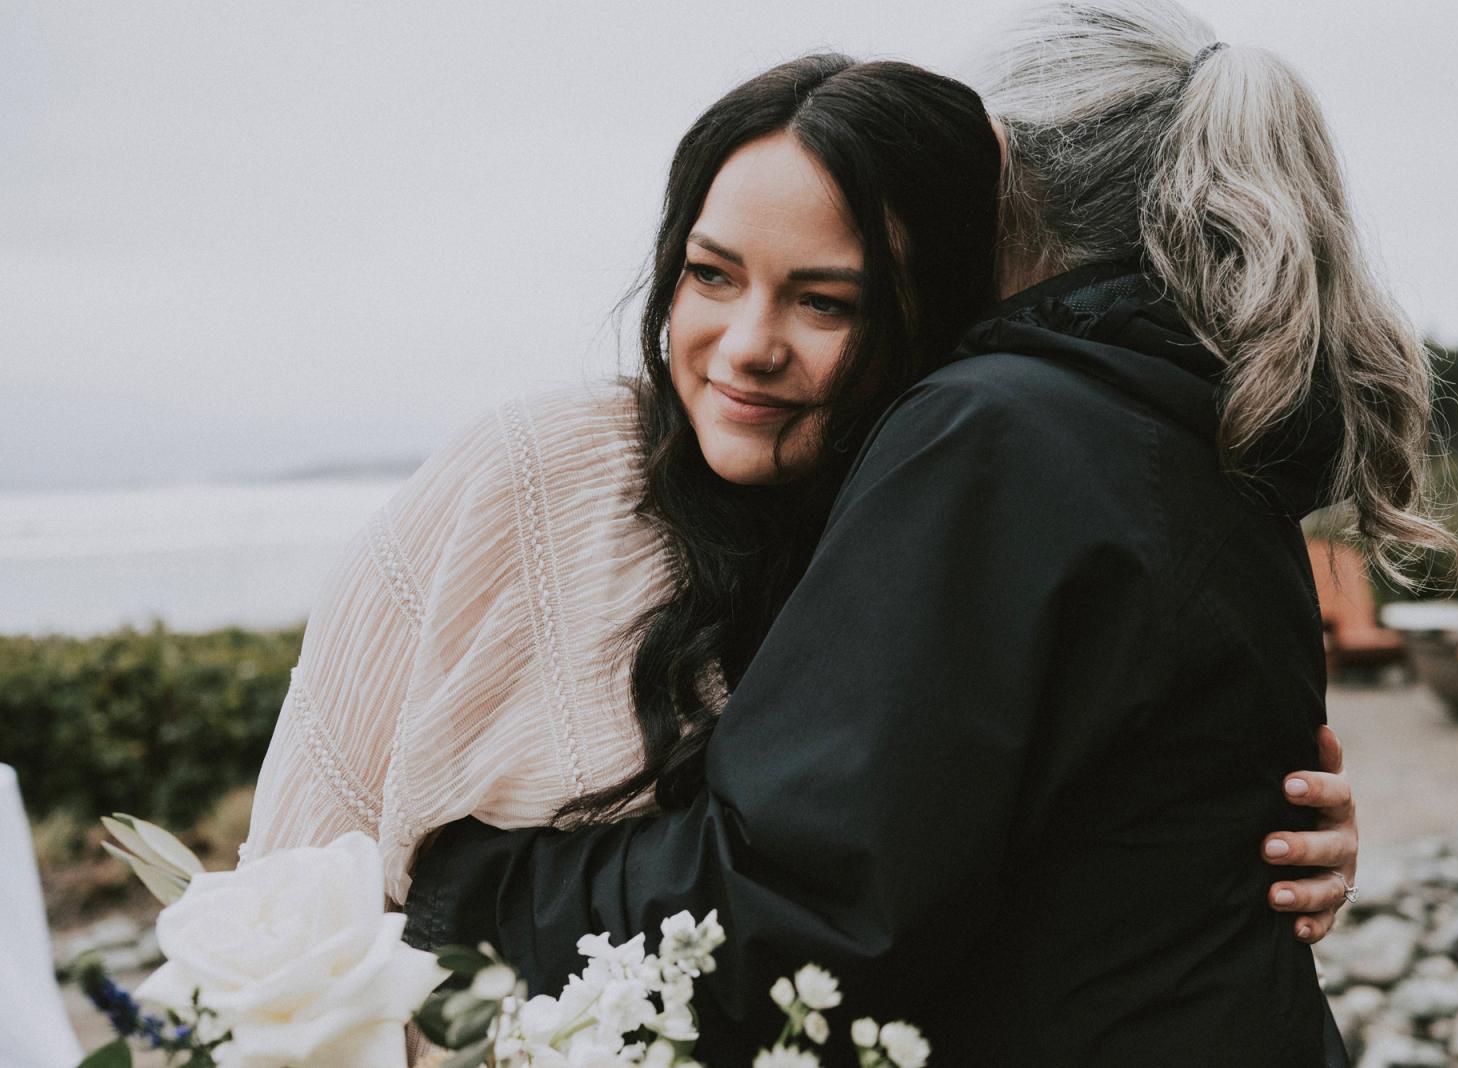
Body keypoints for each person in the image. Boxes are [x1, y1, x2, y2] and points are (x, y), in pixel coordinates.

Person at [248, 40, 1358, 1065]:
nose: (747, 346)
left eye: (826, 300)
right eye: (709, 273)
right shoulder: (1190, 423)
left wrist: (457, 892)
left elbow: (800, 905)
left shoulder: (994, 439)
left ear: (974, 230)